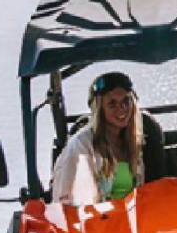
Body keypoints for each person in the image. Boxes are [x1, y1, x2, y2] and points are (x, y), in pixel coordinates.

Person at [51, 72, 144, 205]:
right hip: (95, 221)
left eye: (125, 101)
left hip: (132, 219)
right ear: (99, 109)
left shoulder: (134, 141)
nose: (122, 109)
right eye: (112, 104)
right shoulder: (80, 147)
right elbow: (67, 202)